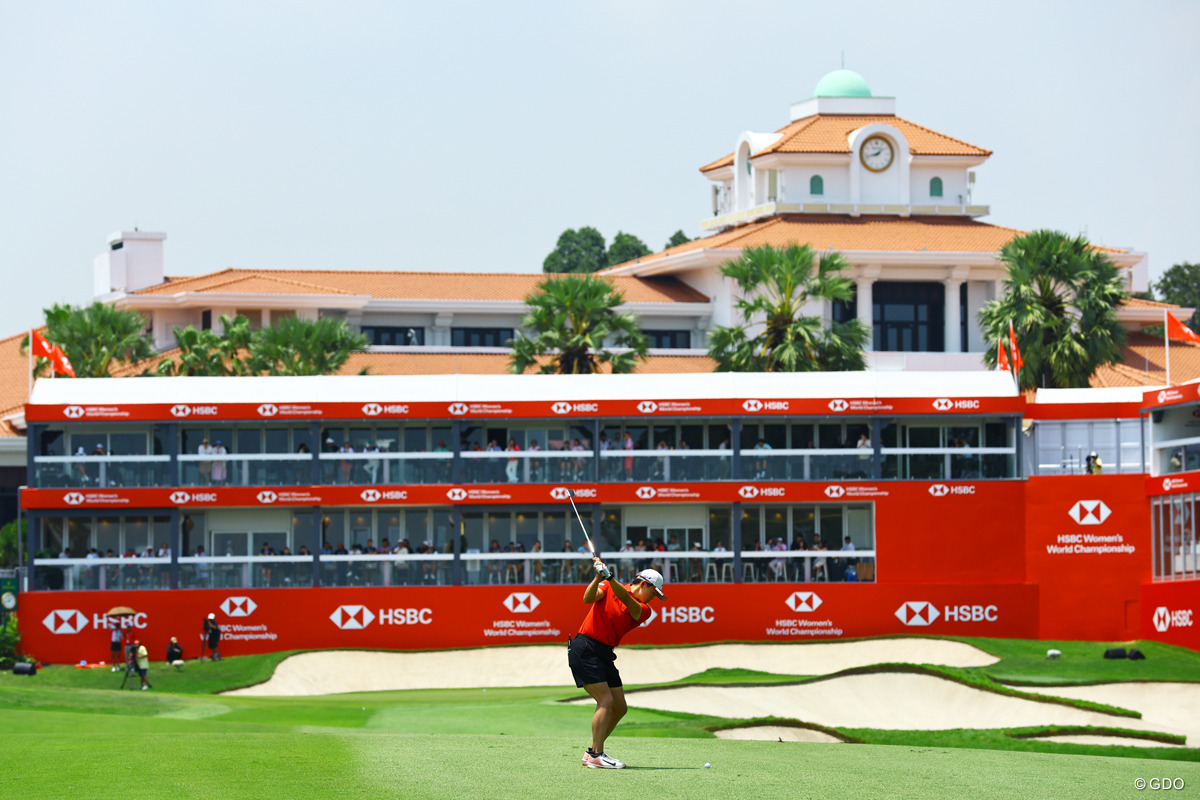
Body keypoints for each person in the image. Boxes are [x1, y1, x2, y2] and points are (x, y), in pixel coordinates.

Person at [568, 558, 666, 770]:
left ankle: (592, 752)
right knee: (606, 701)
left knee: (620, 707)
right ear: (644, 584)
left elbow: (624, 597)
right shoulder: (609, 585)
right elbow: (588, 598)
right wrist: (597, 576)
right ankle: (596, 754)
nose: (654, 599)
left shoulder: (644, 609)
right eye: (654, 593)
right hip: (585, 648)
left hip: (604, 653)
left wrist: (608, 576)